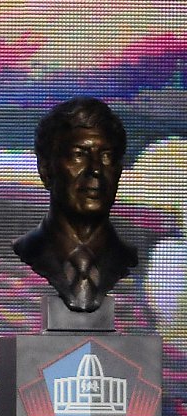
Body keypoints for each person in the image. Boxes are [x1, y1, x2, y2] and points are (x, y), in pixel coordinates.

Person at [13, 96, 138, 312]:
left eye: (107, 156)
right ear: (45, 169)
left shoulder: (133, 260)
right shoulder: (26, 253)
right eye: (79, 155)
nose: (96, 170)